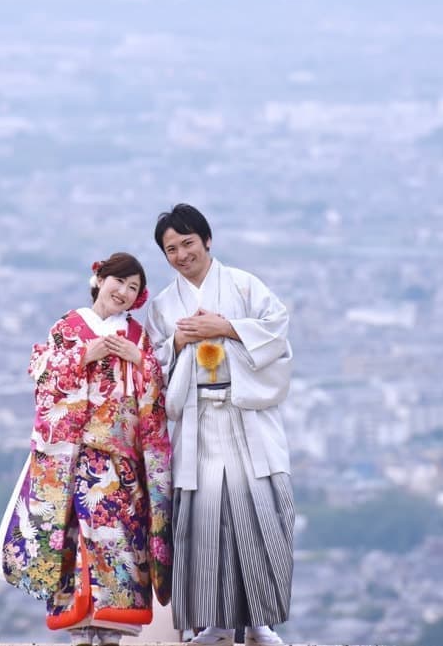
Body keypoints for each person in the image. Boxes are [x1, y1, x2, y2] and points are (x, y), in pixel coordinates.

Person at [0, 252, 173, 646]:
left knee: (120, 543)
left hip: (122, 467)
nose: (124, 292)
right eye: (119, 281)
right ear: (99, 279)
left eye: (133, 288)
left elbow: (155, 398)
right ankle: (79, 630)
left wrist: (140, 363)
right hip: (73, 462)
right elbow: (43, 377)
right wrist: (85, 355)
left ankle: (112, 633)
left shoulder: (137, 338)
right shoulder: (69, 327)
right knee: (72, 546)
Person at [145, 204, 294, 646]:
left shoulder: (246, 286)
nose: (181, 254)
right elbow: (152, 365)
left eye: (188, 243)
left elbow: (277, 332)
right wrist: (177, 340)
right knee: (204, 525)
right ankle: (217, 624)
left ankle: (260, 623)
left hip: (245, 415)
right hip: (195, 423)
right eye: (171, 248)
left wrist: (226, 327)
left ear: (207, 241)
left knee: (259, 517)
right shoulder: (164, 306)